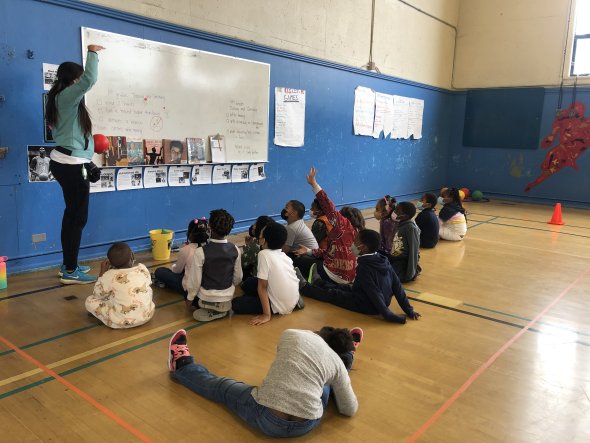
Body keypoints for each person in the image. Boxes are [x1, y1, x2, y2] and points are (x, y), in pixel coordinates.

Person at [167, 326, 359, 438]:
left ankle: (182, 365)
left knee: (220, 386)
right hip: (306, 424)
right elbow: (349, 409)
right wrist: (340, 373)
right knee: (326, 384)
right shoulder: (335, 364)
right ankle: (346, 362)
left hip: (266, 417)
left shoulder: (293, 333)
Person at [47, 44, 105, 284]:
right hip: (69, 165)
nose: (82, 81)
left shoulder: (65, 101)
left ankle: (68, 266)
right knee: (77, 218)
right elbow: (90, 79)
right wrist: (93, 52)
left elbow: (76, 141)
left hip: (70, 162)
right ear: (72, 79)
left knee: (73, 217)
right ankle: (70, 270)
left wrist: (89, 161)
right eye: (78, 77)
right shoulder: (68, 95)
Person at [300, 229, 420, 323]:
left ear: (362, 248)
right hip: (373, 297)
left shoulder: (364, 268)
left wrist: (388, 314)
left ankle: (305, 288)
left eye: (355, 242)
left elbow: (374, 292)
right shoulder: (382, 259)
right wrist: (408, 310)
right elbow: (397, 285)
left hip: (368, 305)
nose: (352, 244)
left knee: (333, 294)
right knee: (342, 287)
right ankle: (318, 282)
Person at [295, 167, 363, 285]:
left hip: (332, 274)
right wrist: (309, 251)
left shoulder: (342, 228)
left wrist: (314, 184)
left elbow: (328, 206)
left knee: (299, 261)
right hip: (351, 278)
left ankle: (313, 283)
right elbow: (329, 253)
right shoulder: (360, 235)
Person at [233, 222, 303, 325]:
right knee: (249, 283)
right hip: (292, 300)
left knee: (236, 304)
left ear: (264, 240)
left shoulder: (264, 254)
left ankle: (267, 308)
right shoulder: (284, 256)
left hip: (278, 306)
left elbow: (262, 287)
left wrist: (266, 315)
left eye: (260, 235)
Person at [186, 209, 242, 322]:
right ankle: (221, 308)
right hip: (227, 297)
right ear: (230, 230)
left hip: (205, 298)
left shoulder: (200, 252)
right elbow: (238, 278)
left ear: (210, 227)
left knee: (185, 293)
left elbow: (195, 281)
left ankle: (212, 309)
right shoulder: (235, 249)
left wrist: (189, 299)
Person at [85, 242, 155, 328]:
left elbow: (97, 294)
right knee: (146, 289)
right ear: (132, 256)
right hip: (146, 316)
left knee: (89, 300)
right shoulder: (142, 269)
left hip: (120, 322)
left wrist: (102, 274)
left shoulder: (108, 276)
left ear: (110, 263)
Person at [153, 218, 209, 296]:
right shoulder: (211, 247)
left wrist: (173, 267)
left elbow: (177, 271)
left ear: (189, 234)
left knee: (160, 271)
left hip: (190, 288)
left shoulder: (186, 249)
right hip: (207, 286)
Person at [388, 202, 421, 283]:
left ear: (405, 216)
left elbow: (414, 251)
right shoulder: (399, 223)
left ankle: (415, 270)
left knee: (390, 278)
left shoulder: (411, 228)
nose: (394, 212)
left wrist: (410, 274)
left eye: (397, 211)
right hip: (394, 258)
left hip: (402, 261)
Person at [241, 215, 273, 279]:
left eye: (255, 224)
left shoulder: (255, 247)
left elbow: (241, 263)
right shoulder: (273, 242)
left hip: (256, 280)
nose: (253, 226)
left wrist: (249, 247)